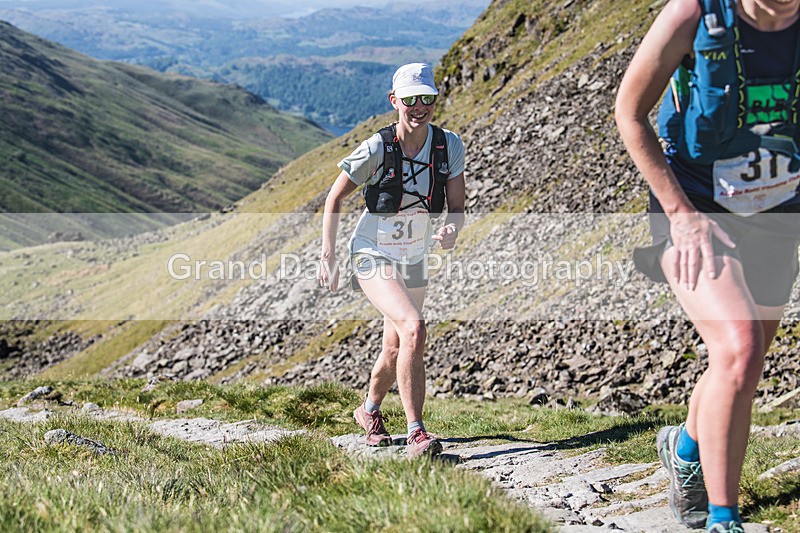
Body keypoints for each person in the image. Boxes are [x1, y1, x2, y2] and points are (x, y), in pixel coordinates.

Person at [616, 0, 800, 531]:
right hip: (697, 209)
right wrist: (681, 217)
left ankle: (685, 446)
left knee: (743, 361)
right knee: (739, 348)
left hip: (779, 209)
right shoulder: (692, 14)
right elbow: (629, 113)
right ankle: (722, 518)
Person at [317, 62, 466, 457]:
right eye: (411, 99)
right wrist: (328, 257)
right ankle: (417, 433)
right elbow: (334, 199)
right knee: (414, 327)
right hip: (372, 250)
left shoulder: (448, 144)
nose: (420, 106)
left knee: (396, 347)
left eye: (427, 98)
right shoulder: (378, 147)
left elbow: (456, 207)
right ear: (394, 101)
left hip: (415, 253)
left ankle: (368, 411)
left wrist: (452, 230)